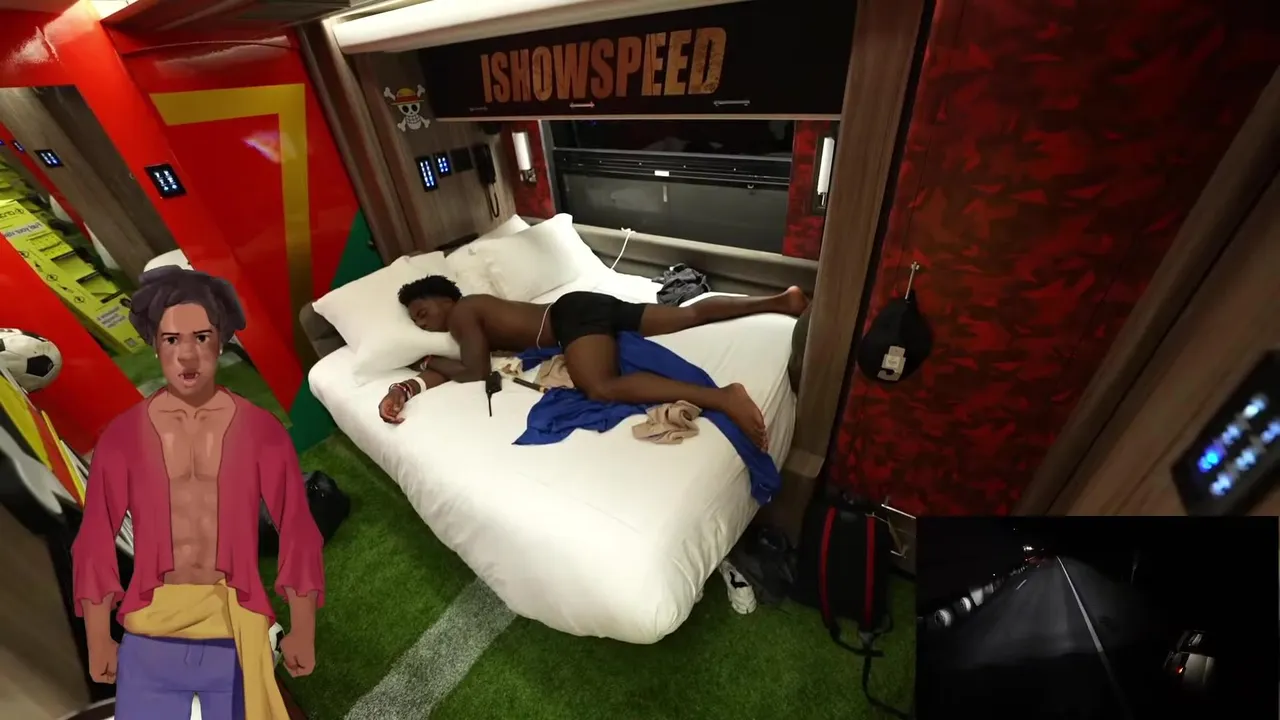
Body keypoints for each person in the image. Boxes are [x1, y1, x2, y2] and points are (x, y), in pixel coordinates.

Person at [72, 267, 325, 720]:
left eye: (202, 337)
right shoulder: (123, 437)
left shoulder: (260, 430)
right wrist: (98, 637)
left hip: (233, 620)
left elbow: (297, 529)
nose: (187, 355)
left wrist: (303, 630)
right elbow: (94, 539)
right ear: (155, 345)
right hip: (151, 624)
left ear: (221, 341)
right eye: (172, 340)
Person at [377, 276, 809, 449]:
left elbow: (474, 370)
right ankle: (780, 299)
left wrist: (427, 358)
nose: (424, 323)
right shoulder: (474, 310)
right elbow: (471, 363)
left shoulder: (463, 314)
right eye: (416, 322)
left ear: (444, 299)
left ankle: (722, 397)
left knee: (600, 387)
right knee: (688, 314)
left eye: (423, 313)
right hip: (584, 305)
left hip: (570, 319)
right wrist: (411, 385)